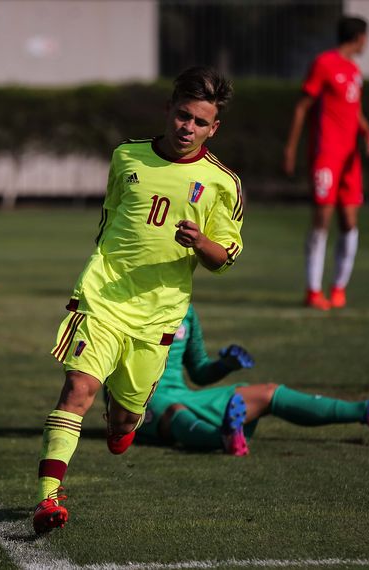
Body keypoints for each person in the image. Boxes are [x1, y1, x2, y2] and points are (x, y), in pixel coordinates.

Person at [32, 67, 245, 534]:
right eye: (182, 115)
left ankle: (121, 418)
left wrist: (201, 242)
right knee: (77, 390)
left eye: (199, 122)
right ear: (168, 111)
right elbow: (111, 222)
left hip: (160, 314)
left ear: (214, 128)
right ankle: (49, 499)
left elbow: (224, 258)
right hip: (103, 296)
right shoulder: (126, 156)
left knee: (127, 420)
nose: (187, 127)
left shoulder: (221, 183)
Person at [136, 305, 369, 455]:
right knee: (175, 412)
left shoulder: (186, 309)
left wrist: (225, 365)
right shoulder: (126, 303)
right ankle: (223, 438)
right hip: (139, 400)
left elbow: (198, 370)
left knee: (268, 393)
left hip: (184, 394)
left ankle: (367, 411)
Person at [282, 15, 369, 311]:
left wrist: (368, 132)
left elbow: (353, 109)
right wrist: (290, 148)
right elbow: (302, 107)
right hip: (326, 155)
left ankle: (338, 288)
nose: (367, 42)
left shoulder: (354, 70)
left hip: (351, 159)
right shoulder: (324, 63)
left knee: (349, 222)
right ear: (359, 37)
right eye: (366, 37)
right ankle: (313, 291)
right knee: (321, 220)